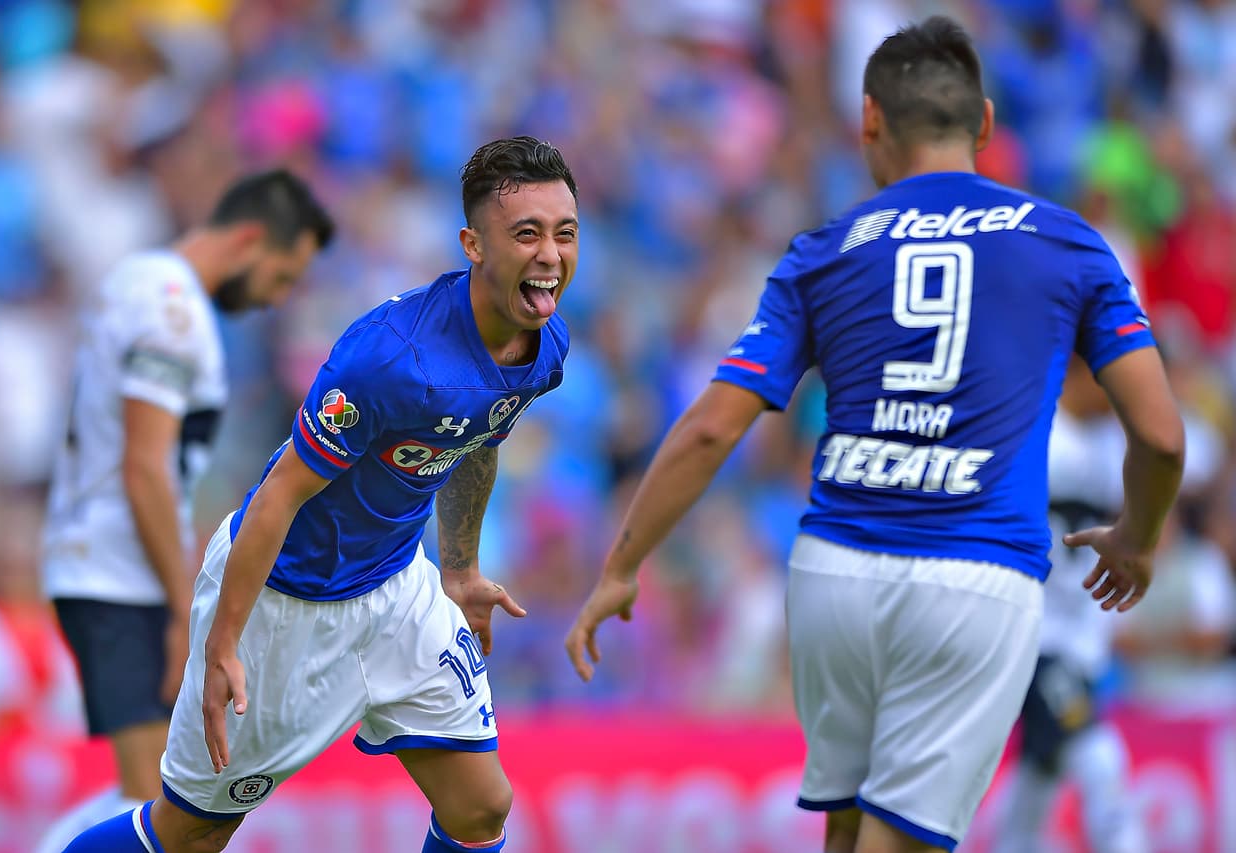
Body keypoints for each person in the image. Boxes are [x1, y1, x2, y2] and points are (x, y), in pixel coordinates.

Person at [565, 16, 1184, 853]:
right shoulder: (1070, 244)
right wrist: (1138, 538)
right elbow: (1161, 436)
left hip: (836, 571)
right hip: (974, 574)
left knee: (848, 830)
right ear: (986, 124)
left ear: (869, 120)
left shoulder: (823, 251)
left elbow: (712, 428)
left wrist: (621, 564)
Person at [61, 135, 578, 853]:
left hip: (396, 587)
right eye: (526, 234)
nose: (550, 254)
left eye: (564, 233)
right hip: (283, 601)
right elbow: (278, 496)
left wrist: (459, 569)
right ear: (473, 245)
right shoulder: (389, 360)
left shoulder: (544, 344)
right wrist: (223, 642)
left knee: (481, 807)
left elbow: (479, 435)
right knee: (189, 834)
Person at [37, 169, 335, 853]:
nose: (274, 300)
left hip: (104, 563)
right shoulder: (172, 312)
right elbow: (145, 466)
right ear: (250, 239)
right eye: (281, 277)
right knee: (152, 804)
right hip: (116, 574)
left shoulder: (138, 280)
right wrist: (182, 609)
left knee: (151, 800)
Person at [995, 358, 1147, 853]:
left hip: (1078, 637)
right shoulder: (1034, 433)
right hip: (1030, 634)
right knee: (1098, 756)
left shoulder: (1110, 446)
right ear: (1084, 371)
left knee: (1043, 768)